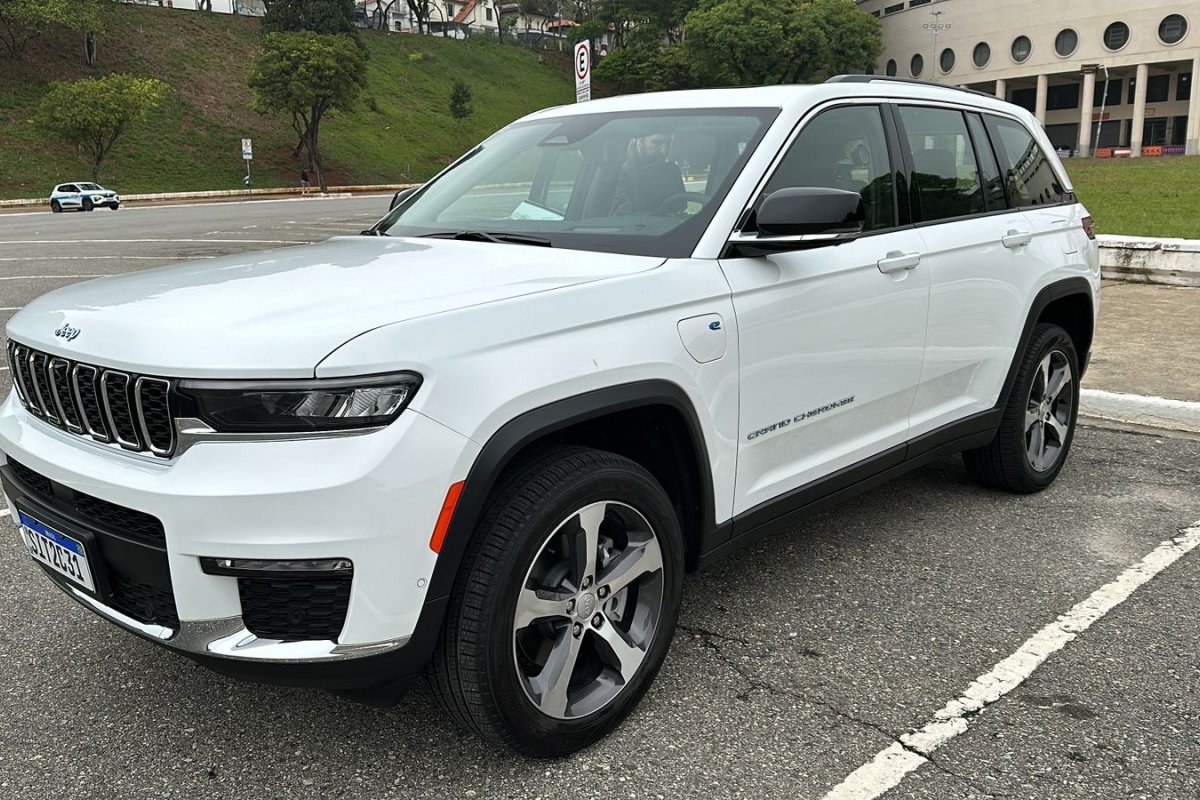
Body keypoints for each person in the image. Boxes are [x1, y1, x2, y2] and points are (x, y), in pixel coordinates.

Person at [611, 132, 685, 215]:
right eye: (657, 143)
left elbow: (681, 206)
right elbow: (620, 214)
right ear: (638, 141)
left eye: (668, 143)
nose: (664, 151)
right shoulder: (618, 173)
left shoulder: (672, 170)